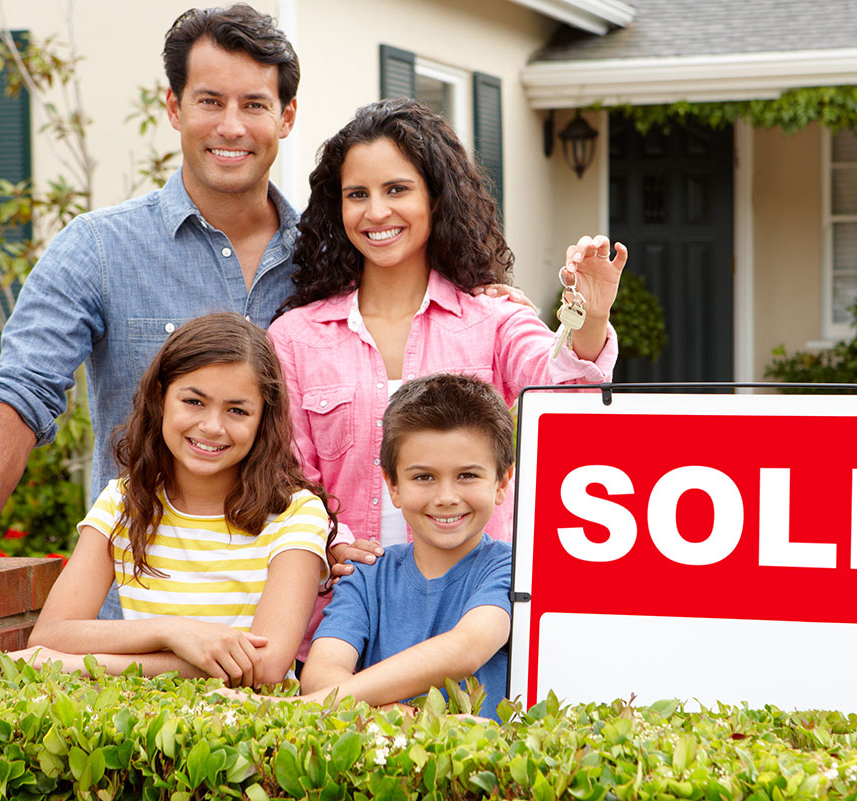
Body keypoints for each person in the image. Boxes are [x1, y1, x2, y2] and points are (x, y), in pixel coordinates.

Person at [0, 6, 525, 596]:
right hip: (146, 604)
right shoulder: (98, 248)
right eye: (210, 100)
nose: (231, 126)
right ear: (174, 107)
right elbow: (19, 391)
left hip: (297, 615)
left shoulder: (335, 259)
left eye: (254, 104)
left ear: (287, 117)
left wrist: (480, 296)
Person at [267, 98, 627, 554]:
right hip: (344, 603)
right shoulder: (295, 338)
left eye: (397, 189)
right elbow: (288, 479)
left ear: (435, 198)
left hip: (475, 605)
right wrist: (331, 542)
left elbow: (566, 395)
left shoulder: (493, 319)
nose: (376, 212)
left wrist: (592, 316)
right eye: (357, 194)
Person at [15, 313, 331, 685]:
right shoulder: (124, 500)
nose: (212, 426)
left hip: (248, 731)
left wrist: (92, 663)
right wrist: (172, 631)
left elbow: (265, 667)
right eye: (194, 402)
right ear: (161, 397)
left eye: (237, 410)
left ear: (264, 418)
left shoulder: (295, 514)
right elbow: (50, 635)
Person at [245, 372, 515, 718]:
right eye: (424, 477)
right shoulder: (367, 574)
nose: (446, 497)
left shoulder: (511, 568)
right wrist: (389, 716)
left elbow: (466, 650)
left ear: (502, 482)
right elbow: (320, 673)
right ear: (393, 486)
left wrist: (303, 709)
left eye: (467, 475)